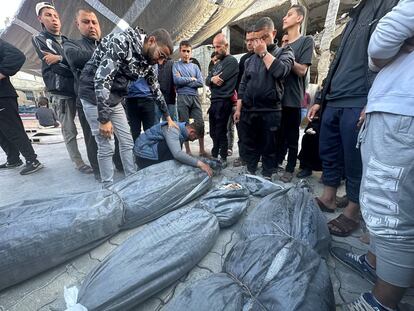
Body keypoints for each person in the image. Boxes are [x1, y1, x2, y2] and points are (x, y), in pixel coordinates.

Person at [332, 2, 414, 310]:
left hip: (403, 110)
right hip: (398, 107)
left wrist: (393, 49)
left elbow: (379, 46)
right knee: (388, 201)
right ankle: (375, 263)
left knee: (391, 210)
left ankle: (382, 301)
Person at [307, 0, 399, 237]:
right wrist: (320, 97)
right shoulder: (355, 14)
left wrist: (373, 100)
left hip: (359, 97)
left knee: (354, 158)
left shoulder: (389, 4)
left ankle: (353, 209)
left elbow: (391, 55)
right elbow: (337, 63)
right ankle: (328, 197)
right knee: (328, 151)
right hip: (335, 98)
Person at [78, 26, 175, 187]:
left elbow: (155, 89)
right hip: (93, 94)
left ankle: (131, 181)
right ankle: (108, 188)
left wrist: (168, 117)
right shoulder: (121, 42)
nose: (160, 61)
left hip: (114, 98)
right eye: (161, 55)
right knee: (106, 144)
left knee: (127, 141)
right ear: (151, 41)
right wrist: (104, 119)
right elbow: (102, 80)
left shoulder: (146, 62)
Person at [32, 2, 93, 174]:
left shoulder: (67, 41)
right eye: (48, 15)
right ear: (40, 19)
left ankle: (93, 157)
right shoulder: (40, 39)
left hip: (76, 89)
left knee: (88, 125)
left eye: (56, 16)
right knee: (69, 129)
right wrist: (67, 61)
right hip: (60, 91)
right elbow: (56, 67)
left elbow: (76, 64)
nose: (54, 19)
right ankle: (78, 162)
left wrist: (60, 58)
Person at [234, 17, 294, 179]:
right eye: (256, 39)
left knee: (269, 145)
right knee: (250, 144)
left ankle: (267, 173)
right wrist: (239, 109)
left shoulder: (284, 52)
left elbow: (281, 72)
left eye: (264, 38)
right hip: (249, 110)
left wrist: (263, 52)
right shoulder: (249, 60)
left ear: (273, 33)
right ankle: (251, 171)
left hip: (271, 109)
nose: (259, 43)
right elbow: (243, 85)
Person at [63, 8, 102, 179]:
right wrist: (107, 54)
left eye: (94, 22)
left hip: (109, 101)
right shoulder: (71, 44)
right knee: (93, 139)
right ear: (77, 24)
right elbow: (75, 58)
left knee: (115, 136)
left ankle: (120, 165)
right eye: (86, 22)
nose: (91, 26)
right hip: (87, 101)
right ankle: (99, 173)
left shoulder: (104, 44)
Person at [276, 4, 314, 183]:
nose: (284, 17)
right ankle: (276, 161)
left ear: (299, 18)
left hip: (292, 99)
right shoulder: (280, 46)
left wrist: (286, 57)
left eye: (289, 15)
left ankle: (290, 167)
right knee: (277, 135)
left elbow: (302, 71)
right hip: (276, 98)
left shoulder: (306, 41)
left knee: (292, 137)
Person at [0, 39, 43, 175]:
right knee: (1, 132)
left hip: (3, 96)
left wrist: (2, 72)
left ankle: (32, 160)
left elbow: (16, 56)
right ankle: (13, 159)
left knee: (13, 129)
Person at [134, 121, 212, 176]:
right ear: (192, 132)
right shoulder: (173, 130)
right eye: (194, 138)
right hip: (143, 156)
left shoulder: (180, 129)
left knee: (175, 147)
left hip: (147, 151)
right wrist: (200, 164)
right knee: (173, 149)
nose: (192, 141)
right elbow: (177, 154)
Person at [206, 33, 239, 163]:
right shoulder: (218, 63)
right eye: (214, 47)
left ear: (226, 46)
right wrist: (212, 79)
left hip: (223, 101)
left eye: (218, 47)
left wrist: (212, 80)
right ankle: (215, 154)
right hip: (214, 102)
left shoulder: (231, 61)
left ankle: (223, 157)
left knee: (221, 131)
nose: (216, 50)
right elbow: (208, 79)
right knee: (213, 132)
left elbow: (220, 81)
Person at [173, 40, 207, 156]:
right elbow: (176, 81)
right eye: (184, 51)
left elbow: (200, 82)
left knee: (200, 123)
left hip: (194, 97)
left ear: (191, 52)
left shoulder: (195, 67)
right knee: (184, 125)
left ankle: (202, 150)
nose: (186, 53)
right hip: (182, 98)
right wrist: (191, 79)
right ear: (180, 51)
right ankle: (187, 151)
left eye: (188, 51)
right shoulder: (176, 65)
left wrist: (184, 80)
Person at [233, 27, 255, 167]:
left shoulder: (266, 56)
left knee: (257, 134)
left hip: (260, 104)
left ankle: (255, 157)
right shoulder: (244, 59)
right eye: (247, 40)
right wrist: (238, 105)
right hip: (244, 103)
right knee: (242, 132)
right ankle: (243, 156)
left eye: (252, 40)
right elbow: (239, 84)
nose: (249, 43)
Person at [125, 77, 157, 142]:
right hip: (131, 99)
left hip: (148, 98)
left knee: (149, 133)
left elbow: (154, 77)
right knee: (134, 133)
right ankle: (136, 151)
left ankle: (147, 151)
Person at [155, 57, 177, 122]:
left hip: (170, 99)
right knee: (155, 124)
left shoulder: (172, 63)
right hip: (155, 99)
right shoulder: (153, 63)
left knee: (169, 125)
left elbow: (177, 79)